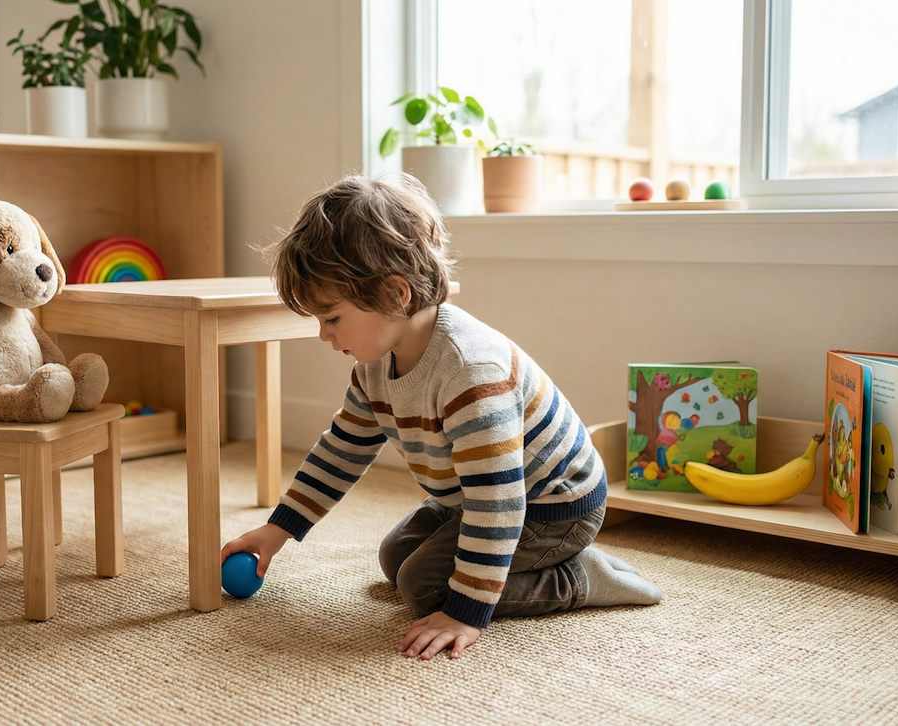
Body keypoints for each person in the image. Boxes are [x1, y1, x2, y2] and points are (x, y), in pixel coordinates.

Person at [221, 173, 661, 660]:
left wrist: (466, 613)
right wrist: (278, 529)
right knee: (395, 557)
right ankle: (530, 565)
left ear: (395, 295)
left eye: (332, 318)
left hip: (553, 506)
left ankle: (575, 577)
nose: (324, 335)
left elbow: (498, 503)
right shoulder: (374, 366)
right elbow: (341, 450)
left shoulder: (471, 375)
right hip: (476, 495)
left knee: (426, 588)